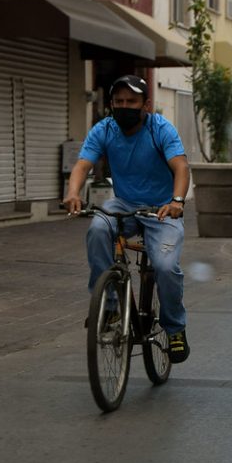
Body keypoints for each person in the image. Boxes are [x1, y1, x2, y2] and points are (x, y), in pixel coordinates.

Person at [63, 75, 191, 363]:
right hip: (124, 204)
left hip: (162, 208)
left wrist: (176, 202)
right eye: (118, 101)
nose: (123, 106)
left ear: (145, 104)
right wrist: (73, 193)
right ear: (111, 104)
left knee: (165, 266)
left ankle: (175, 329)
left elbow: (181, 167)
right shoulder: (105, 129)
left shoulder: (161, 129)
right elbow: (83, 164)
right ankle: (108, 307)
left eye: (130, 102)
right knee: (97, 228)